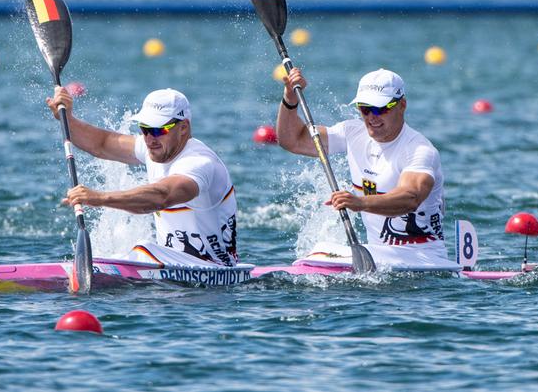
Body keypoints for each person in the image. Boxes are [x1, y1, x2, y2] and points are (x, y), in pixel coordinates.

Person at [276, 67, 452, 267]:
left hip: (423, 258)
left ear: (402, 105)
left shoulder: (419, 150)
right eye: (365, 108)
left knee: (323, 251)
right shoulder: (352, 133)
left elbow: (410, 198)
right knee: (320, 250)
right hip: (377, 259)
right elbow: (292, 140)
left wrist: (360, 203)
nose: (372, 117)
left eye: (380, 108)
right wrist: (290, 99)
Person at [47, 87, 239, 267]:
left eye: (158, 130)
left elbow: (162, 196)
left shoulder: (199, 163)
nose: (149, 138)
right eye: (144, 128)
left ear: (183, 127)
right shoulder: (155, 147)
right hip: (177, 273)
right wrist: (66, 119)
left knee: (143, 249)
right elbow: (102, 143)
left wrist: (100, 198)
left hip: (213, 272)